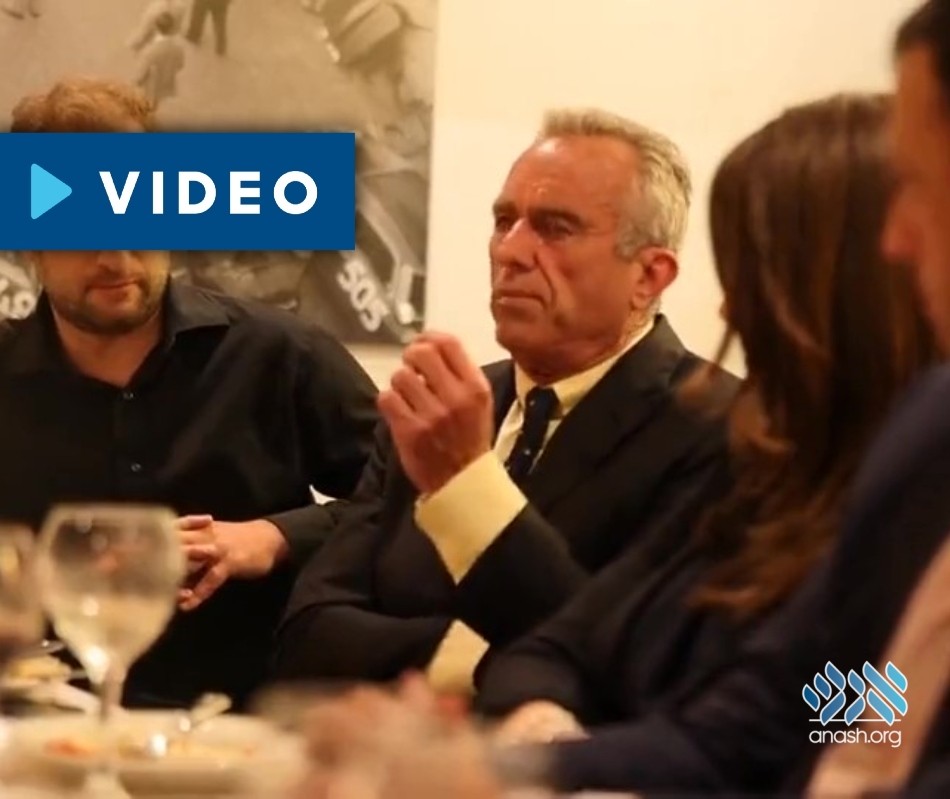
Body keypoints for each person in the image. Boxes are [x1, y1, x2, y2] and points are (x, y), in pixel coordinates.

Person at [474, 91, 939, 748]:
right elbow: (558, 644)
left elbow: (774, 742)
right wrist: (542, 729)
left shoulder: (907, 501)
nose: (729, 311)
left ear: (856, 285)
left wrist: (539, 765)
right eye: (504, 221)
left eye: (758, 275)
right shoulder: (764, 466)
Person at [274, 107, 739, 695]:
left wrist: (467, 485)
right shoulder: (435, 411)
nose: (510, 251)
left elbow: (626, 668)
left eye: (556, 228)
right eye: (503, 221)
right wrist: (471, 661)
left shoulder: (720, 429)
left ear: (649, 276)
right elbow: (307, 638)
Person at [0, 77, 379, 709]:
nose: (117, 253)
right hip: (34, 730)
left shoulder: (281, 354)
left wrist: (275, 537)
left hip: (247, 729)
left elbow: (410, 501)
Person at [135, 10, 186, 109]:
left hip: (151, 85)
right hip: (166, 82)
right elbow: (180, 65)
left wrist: (136, 82)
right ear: (171, 29)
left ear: (156, 28)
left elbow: (141, 72)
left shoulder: (150, 51)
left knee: (147, 101)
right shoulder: (178, 49)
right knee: (156, 101)